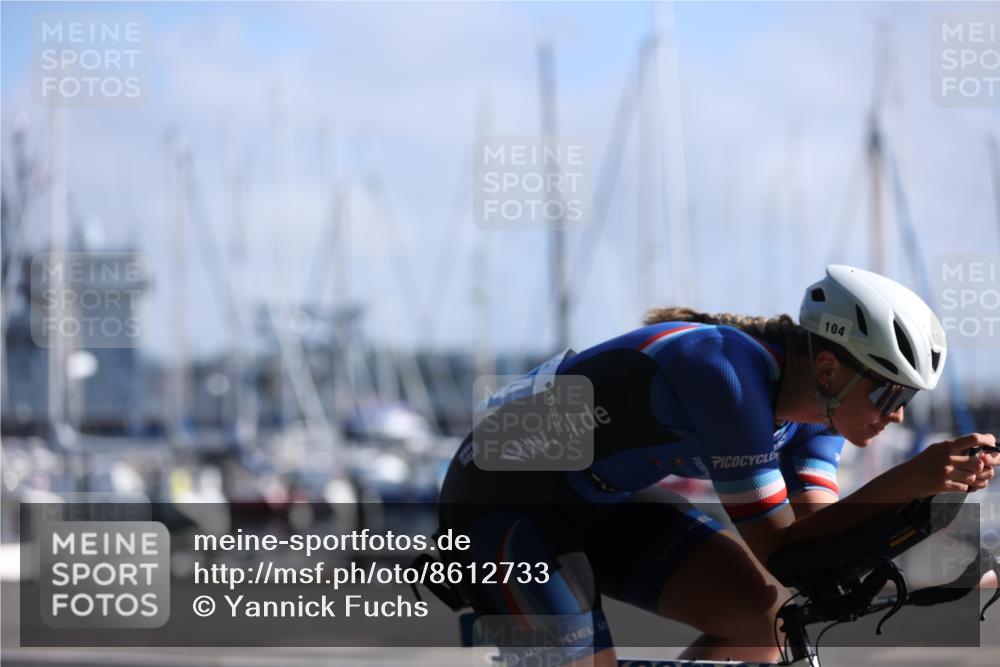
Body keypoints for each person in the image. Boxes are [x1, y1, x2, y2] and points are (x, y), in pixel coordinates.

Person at [437, 265, 999, 667]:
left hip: (602, 500)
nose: (898, 416)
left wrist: (946, 550)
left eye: (909, 400)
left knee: (764, 620)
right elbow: (780, 549)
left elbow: (816, 552)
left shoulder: (816, 421)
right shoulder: (724, 373)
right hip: (499, 505)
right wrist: (912, 477)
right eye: (888, 395)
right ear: (828, 369)